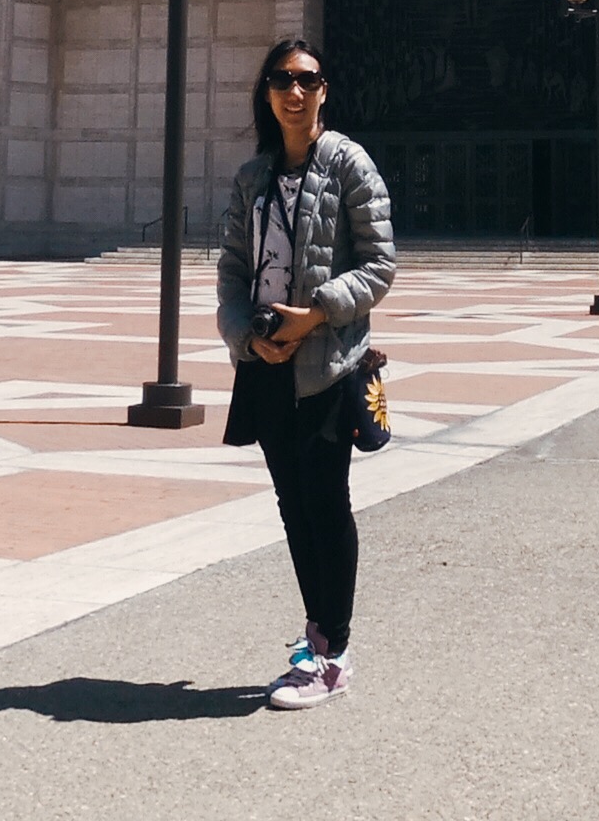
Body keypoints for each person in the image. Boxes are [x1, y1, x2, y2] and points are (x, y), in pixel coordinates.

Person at [216, 35, 396, 709]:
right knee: (293, 507)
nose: (296, 92)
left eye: (308, 80)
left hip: (325, 364)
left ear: (324, 89)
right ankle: (318, 637)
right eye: (282, 80)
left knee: (326, 503)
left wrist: (313, 315)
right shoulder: (251, 177)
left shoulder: (349, 163)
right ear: (266, 93)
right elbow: (233, 268)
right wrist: (245, 333)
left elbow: (379, 265)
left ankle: (334, 653)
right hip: (264, 366)